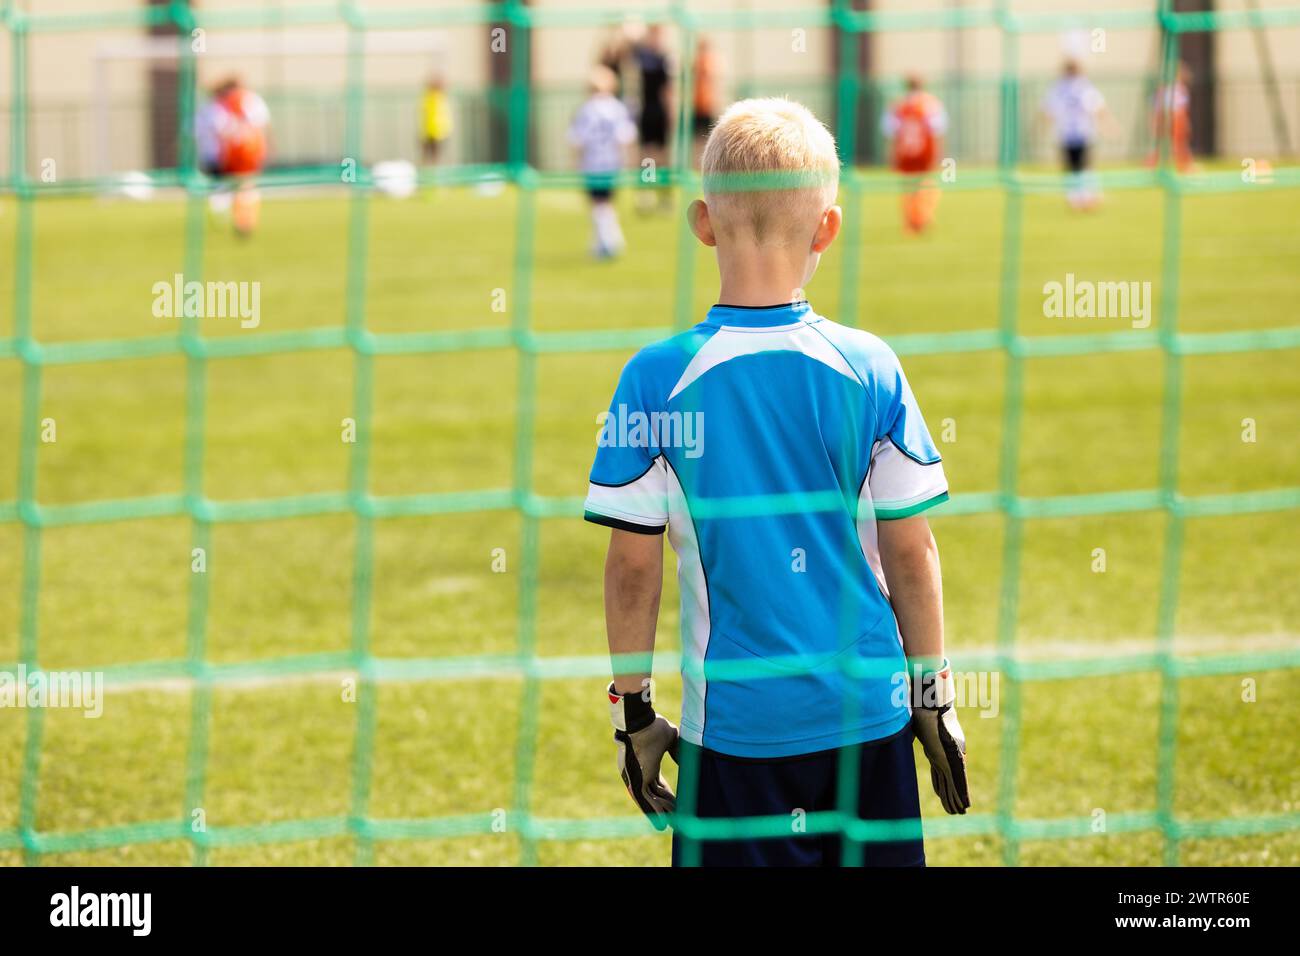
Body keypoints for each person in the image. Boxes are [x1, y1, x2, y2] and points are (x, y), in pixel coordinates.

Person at [585, 98, 969, 867]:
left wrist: (635, 717)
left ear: (702, 222)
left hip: (733, 733)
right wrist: (935, 697)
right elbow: (912, 554)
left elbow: (633, 568)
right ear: (828, 227)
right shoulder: (872, 367)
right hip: (870, 720)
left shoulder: (653, 378)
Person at [569, 65, 637, 259]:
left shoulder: (585, 110)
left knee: (598, 203)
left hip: (593, 163)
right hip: (611, 162)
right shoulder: (617, 108)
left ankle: (609, 241)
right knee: (606, 202)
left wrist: (576, 162)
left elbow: (577, 140)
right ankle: (603, 241)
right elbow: (625, 138)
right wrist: (628, 161)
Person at [195, 77, 270, 236]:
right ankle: (238, 219)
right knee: (237, 187)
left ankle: (241, 220)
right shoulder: (218, 106)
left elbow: (257, 126)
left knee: (241, 186)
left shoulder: (246, 102)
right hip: (233, 153)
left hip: (241, 151)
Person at [880, 74, 947, 233]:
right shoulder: (931, 104)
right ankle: (921, 216)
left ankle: (911, 219)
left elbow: (890, 131)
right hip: (925, 151)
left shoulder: (898, 106)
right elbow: (938, 130)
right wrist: (940, 152)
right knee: (927, 184)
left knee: (908, 187)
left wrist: (892, 154)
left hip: (905, 152)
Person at [1041, 58, 1111, 211]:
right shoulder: (1084, 87)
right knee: (1084, 167)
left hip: (1068, 134)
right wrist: (1107, 126)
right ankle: (1086, 197)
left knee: (1073, 168)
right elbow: (1098, 107)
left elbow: (1049, 111)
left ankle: (1077, 198)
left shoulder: (1058, 89)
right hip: (1082, 133)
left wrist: (1042, 127)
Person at [632, 23, 673, 213]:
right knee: (648, 154)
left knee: (663, 154)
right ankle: (647, 192)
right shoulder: (643, 56)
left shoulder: (665, 58)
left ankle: (664, 194)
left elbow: (668, 89)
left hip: (660, 111)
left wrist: (670, 111)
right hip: (647, 110)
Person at [1149, 61, 1193, 173]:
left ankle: (1183, 165)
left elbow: (1182, 109)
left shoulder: (1179, 89)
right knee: (1164, 143)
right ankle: (1156, 164)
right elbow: (1158, 107)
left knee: (1178, 144)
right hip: (1168, 118)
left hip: (1175, 118)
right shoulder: (1164, 90)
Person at [690, 36, 723, 166]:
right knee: (697, 140)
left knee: (706, 139)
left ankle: (705, 165)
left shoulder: (710, 62)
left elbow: (715, 83)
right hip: (696, 106)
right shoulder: (695, 62)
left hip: (706, 106)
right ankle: (697, 166)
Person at [421, 74, 454, 165]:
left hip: (439, 133)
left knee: (435, 157)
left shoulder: (438, 98)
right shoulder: (432, 98)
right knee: (432, 157)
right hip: (433, 133)